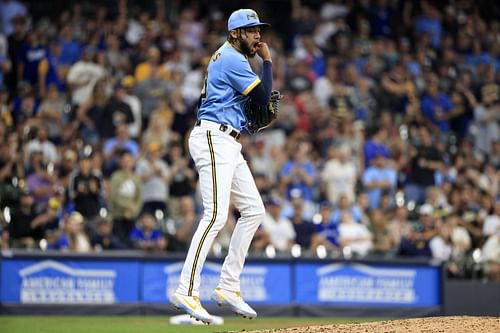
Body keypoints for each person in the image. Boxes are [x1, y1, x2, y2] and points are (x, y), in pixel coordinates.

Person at [170, 8, 273, 324]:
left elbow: (258, 106)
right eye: (251, 30)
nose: (257, 36)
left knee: (254, 209)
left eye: (259, 30)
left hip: (228, 139)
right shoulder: (230, 58)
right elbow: (264, 99)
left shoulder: (234, 58)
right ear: (235, 34)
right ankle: (187, 290)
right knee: (215, 215)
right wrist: (267, 62)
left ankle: (229, 286)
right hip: (214, 136)